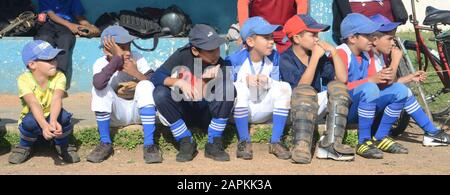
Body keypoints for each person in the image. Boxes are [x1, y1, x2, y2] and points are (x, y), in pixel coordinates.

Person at [151, 24, 236, 162]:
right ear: (195, 50)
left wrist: (205, 81)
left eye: (217, 48)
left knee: (229, 89)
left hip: (207, 115)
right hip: (184, 112)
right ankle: (185, 140)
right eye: (210, 50)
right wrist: (178, 82)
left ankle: (214, 142)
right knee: (160, 93)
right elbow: (156, 77)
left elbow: (201, 97)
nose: (216, 53)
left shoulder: (221, 65)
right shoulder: (182, 55)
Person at [279, 14, 353, 163]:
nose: (317, 38)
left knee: (338, 88)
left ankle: (331, 144)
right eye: (312, 34)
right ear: (297, 38)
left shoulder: (318, 55)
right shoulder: (286, 58)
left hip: (314, 107)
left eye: (317, 34)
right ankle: (301, 146)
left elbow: (342, 79)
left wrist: (333, 51)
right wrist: (314, 59)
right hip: (295, 111)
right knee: (304, 92)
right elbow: (300, 88)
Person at [369, 14, 450, 149]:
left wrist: (410, 77)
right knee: (402, 92)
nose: (393, 42)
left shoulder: (379, 56)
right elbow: (387, 85)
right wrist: (395, 60)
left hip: (372, 104)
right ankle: (380, 136)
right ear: (374, 39)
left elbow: (389, 85)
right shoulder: (369, 57)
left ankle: (432, 132)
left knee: (403, 91)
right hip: (363, 109)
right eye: (390, 38)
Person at [87, 25, 160, 164]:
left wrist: (136, 74)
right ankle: (105, 143)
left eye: (128, 47)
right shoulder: (100, 63)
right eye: (122, 48)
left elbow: (156, 83)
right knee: (99, 89)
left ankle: (149, 144)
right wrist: (116, 59)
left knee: (145, 85)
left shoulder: (136, 58)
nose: (127, 52)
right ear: (106, 49)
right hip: (116, 115)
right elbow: (98, 83)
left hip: (138, 112)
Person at [227, 16, 292, 160]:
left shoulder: (275, 57)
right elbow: (226, 90)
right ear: (250, 41)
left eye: (272, 37)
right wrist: (244, 80)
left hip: (265, 110)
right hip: (241, 111)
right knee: (239, 87)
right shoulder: (234, 59)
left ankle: (276, 141)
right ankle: (244, 140)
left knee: (285, 87)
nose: (271, 42)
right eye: (266, 38)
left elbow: (277, 87)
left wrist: (268, 82)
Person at [9, 40, 79, 164]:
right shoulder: (24, 80)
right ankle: (25, 146)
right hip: (36, 118)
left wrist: (52, 122)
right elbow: (33, 103)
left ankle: (61, 145)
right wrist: (44, 125)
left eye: (55, 58)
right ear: (32, 64)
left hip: (52, 116)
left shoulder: (59, 76)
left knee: (64, 117)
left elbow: (57, 98)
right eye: (48, 60)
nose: (54, 62)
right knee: (29, 122)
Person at [35, 0, 100, 90]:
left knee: (65, 40)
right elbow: (51, 15)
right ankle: (43, 78)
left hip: (65, 27)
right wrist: (70, 25)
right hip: (48, 24)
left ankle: (60, 79)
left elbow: (79, 17)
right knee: (44, 40)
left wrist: (89, 27)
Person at [237, 0, 308, 53]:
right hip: (259, 32)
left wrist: (298, 31)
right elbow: (243, 3)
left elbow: (302, 3)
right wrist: (244, 34)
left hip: (285, 35)